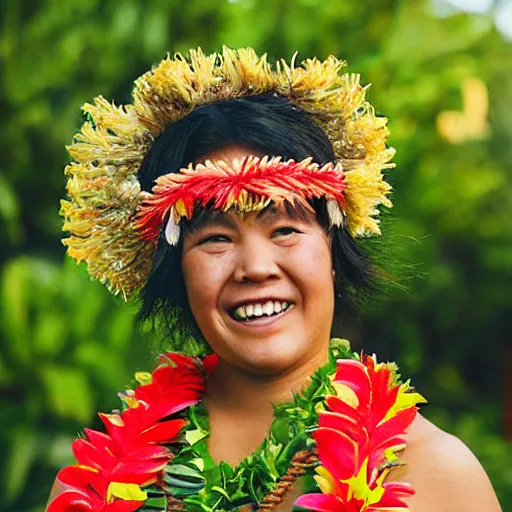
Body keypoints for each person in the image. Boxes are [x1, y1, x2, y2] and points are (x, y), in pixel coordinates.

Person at [47, 48, 501, 512]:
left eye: (284, 229)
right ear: (177, 270)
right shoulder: (93, 487)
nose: (256, 267)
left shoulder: (433, 477)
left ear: (332, 249)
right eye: (217, 239)